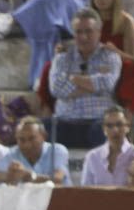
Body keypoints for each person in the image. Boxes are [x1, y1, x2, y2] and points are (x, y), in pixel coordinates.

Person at [46, 8, 120, 149]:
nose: (83, 37)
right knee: (43, 126)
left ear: (99, 32)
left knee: (105, 128)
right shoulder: (62, 57)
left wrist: (72, 78)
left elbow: (107, 84)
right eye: (78, 32)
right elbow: (56, 89)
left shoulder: (109, 56)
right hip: (66, 120)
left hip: (98, 120)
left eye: (88, 31)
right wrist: (92, 84)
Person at [0, 116, 69, 184]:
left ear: (44, 136)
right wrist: (10, 176)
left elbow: (58, 179)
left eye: (32, 138)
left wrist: (30, 176)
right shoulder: (11, 154)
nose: (27, 145)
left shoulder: (57, 150)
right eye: (21, 140)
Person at [80, 104, 134, 186]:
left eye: (119, 125)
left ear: (127, 127)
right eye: (109, 126)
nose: (115, 130)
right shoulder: (92, 156)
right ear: (104, 129)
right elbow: (85, 191)